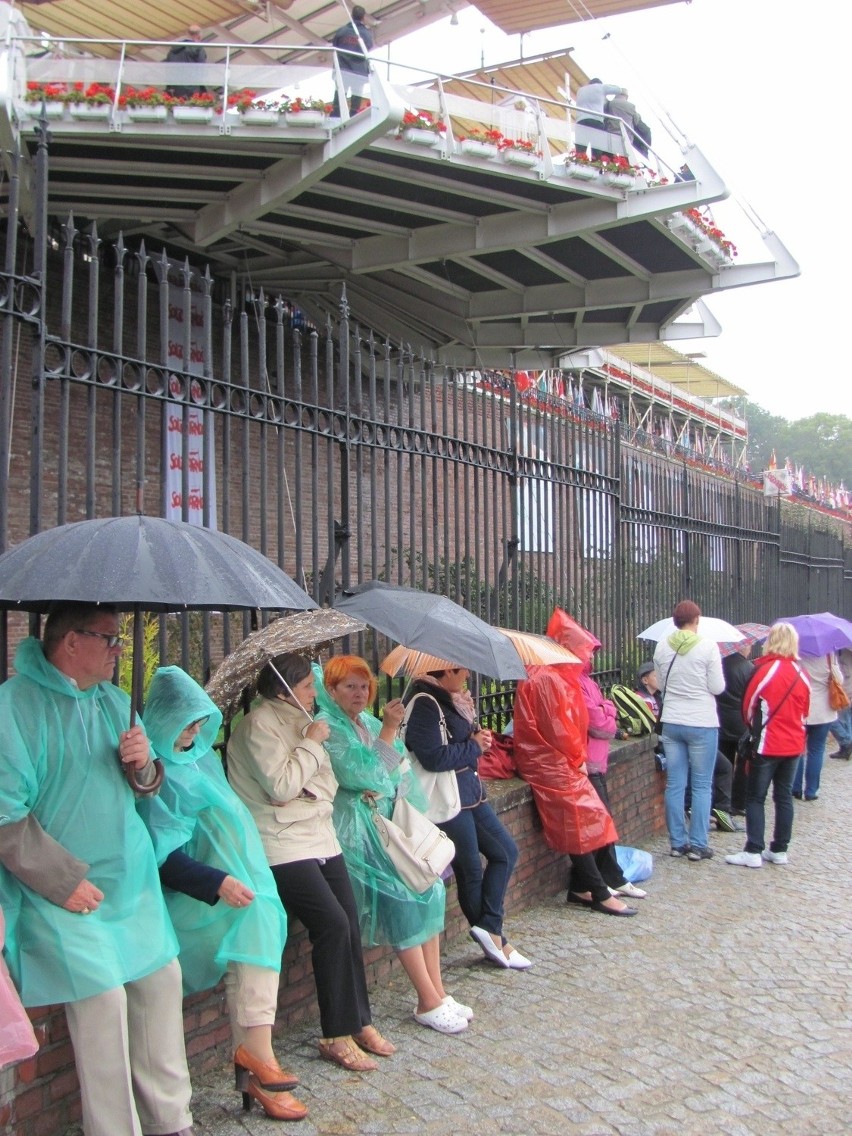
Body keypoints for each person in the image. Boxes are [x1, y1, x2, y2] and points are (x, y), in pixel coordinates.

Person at [0, 603, 194, 1136]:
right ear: (69, 643)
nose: (119, 650)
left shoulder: (114, 702)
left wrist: (144, 764)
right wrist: (62, 882)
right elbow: (4, 813)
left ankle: (172, 1122)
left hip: (129, 883)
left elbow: (149, 789)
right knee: (103, 999)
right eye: (108, 639)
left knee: (162, 978)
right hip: (61, 891)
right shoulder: (14, 708)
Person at [139, 666, 306, 1122]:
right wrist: (216, 883)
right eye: (185, 724)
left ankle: (256, 1059)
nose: (194, 733)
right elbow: (163, 855)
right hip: (195, 898)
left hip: (235, 889)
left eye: (199, 723)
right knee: (255, 927)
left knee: (262, 924)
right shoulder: (155, 773)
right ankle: (257, 1058)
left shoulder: (198, 759)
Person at [226, 652, 394, 1073]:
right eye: (306, 687)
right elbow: (281, 784)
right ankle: (334, 1034)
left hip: (319, 832)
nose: (313, 693)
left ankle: (359, 1021)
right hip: (281, 841)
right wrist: (310, 745)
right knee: (331, 924)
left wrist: (305, 768)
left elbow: (324, 782)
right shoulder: (259, 725)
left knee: (349, 921)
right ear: (285, 690)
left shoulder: (304, 718)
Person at [315, 656, 470, 1034]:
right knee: (401, 902)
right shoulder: (329, 729)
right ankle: (426, 998)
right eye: (349, 686)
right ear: (331, 690)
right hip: (360, 833)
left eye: (364, 685)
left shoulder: (365, 723)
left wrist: (384, 746)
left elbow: (397, 770)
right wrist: (388, 731)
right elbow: (362, 772)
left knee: (429, 889)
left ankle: (437, 990)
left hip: (389, 823)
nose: (360, 693)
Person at [404, 665, 532, 967]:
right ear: (445, 672)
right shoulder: (425, 702)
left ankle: (490, 928)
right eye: (462, 671)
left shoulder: (452, 699)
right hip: (447, 800)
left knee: (506, 851)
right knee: (470, 871)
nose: (467, 677)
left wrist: (476, 736)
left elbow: (455, 740)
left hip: (470, 794)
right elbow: (434, 758)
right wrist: (473, 746)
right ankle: (497, 940)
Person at [513, 664, 637, 917]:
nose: (589, 657)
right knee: (579, 821)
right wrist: (576, 757)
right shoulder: (545, 678)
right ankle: (598, 891)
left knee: (588, 819)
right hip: (553, 761)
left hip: (550, 759)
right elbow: (559, 726)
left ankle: (584, 887)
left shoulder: (542, 676)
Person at [553, 623, 646, 901]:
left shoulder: (589, 682)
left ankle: (608, 877)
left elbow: (602, 716)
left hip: (597, 760)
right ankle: (595, 882)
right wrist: (607, 709)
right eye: (587, 651)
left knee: (602, 821)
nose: (591, 656)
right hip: (586, 762)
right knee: (597, 822)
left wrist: (605, 709)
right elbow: (599, 724)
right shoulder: (574, 682)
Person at [725, 623, 810, 868]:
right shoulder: (800, 673)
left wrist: (754, 728)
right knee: (783, 797)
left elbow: (748, 707)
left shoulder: (763, 670)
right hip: (794, 745)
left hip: (768, 744)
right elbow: (805, 710)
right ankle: (780, 849)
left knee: (755, 797)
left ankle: (753, 849)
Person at [653, 600, 725, 861]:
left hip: (672, 720)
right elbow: (717, 687)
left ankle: (677, 842)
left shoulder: (662, 647)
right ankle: (698, 844)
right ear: (696, 620)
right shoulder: (708, 647)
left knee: (675, 783)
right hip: (702, 722)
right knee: (702, 785)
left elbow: (660, 684)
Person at [791, 652, 840, 800]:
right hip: (823, 711)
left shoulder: (796, 653)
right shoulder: (828, 655)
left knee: (797, 750)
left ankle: (795, 788)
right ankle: (811, 790)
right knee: (817, 750)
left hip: (800, 709)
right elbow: (839, 678)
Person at [716, 642, 756, 813]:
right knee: (743, 762)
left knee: (724, 761)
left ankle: (721, 800)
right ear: (743, 648)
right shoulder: (749, 668)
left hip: (720, 718)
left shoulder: (719, 663)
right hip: (741, 720)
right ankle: (739, 802)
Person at [330, 5, 373, 118]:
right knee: (356, 99)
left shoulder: (342, 31)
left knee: (339, 95)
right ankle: (354, 118)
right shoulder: (365, 34)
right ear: (363, 17)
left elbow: (334, 45)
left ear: (352, 15)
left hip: (342, 70)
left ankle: (335, 117)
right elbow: (368, 47)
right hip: (358, 72)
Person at [574, 77, 624, 159]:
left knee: (581, 150)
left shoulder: (580, 90)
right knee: (596, 149)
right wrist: (606, 87)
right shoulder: (601, 87)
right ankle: (596, 166)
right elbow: (618, 90)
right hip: (596, 121)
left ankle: (578, 165)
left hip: (580, 121)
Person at [165, 24, 207, 99]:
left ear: (187, 34)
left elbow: (168, 66)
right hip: (193, 88)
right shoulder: (198, 49)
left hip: (175, 88)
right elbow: (202, 68)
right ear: (199, 36)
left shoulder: (173, 49)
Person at [828, 648, 852, 760]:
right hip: (845, 685)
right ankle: (846, 747)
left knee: (838, 719)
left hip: (846, 686)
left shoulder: (846, 645)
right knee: (846, 719)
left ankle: (846, 743)